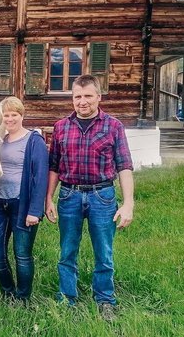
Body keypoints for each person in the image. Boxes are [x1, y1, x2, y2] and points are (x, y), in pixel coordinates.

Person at [45, 74, 134, 321]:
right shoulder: (61, 127)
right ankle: (66, 299)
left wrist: (128, 204)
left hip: (102, 196)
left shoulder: (114, 126)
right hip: (69, 195)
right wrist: (48, 198)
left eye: (87, 96)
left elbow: (124, 166)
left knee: (104, 252)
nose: (82, 102)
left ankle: (105, 300)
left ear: (98, 97)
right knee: (67, 251)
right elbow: (54, 165)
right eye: (77, 97)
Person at [0, 97, 49, 302]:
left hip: (21, 204)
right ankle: (8, 292)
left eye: (14, 115)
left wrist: (35, 210)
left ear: (22, 116)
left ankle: (23, 298)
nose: (10, 119)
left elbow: (41, 177)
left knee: (22, 255)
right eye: (6, 115)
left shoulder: (33, 140)